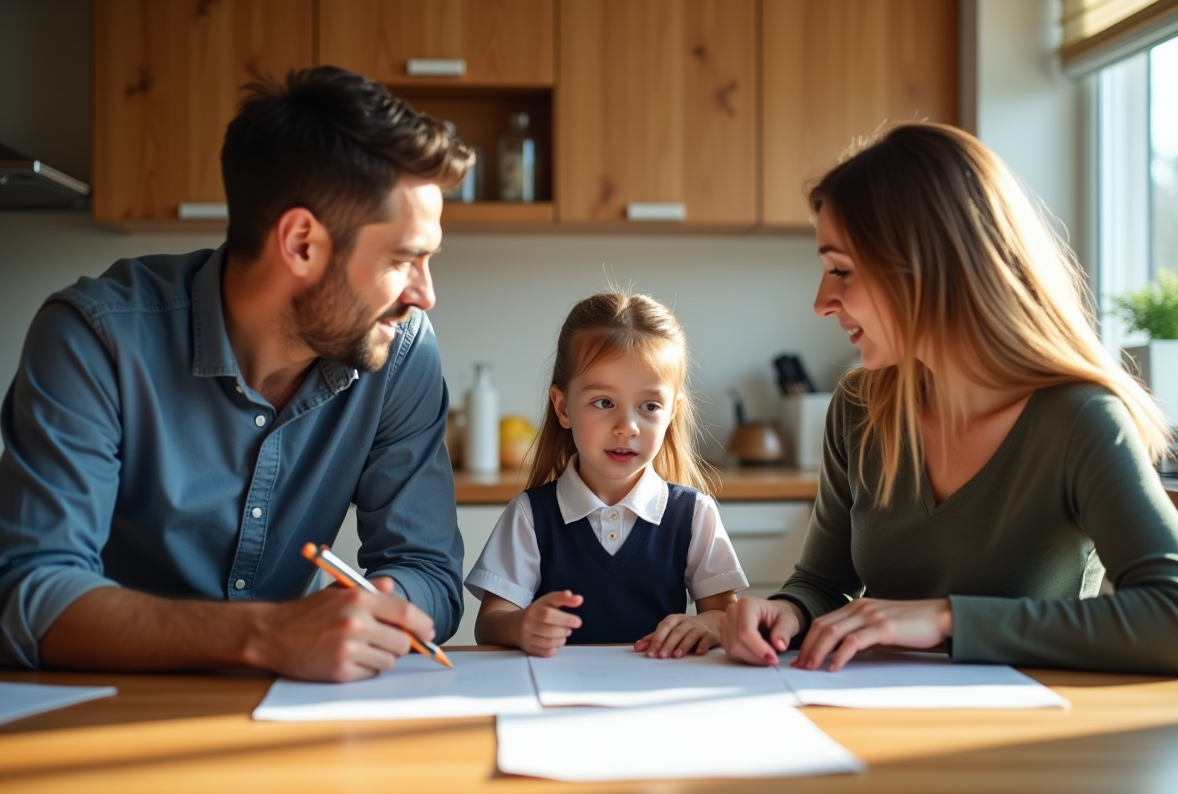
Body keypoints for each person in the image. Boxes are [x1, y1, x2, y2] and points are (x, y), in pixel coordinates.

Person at [0, 67, 475, 682]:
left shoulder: (401, 350)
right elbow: (31, 596)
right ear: (302, 242)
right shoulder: (94, 338)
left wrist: (378, 602)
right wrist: (268, 634)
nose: (425, 294)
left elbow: (430, 573)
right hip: (103, 702)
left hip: (290, 710)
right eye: (402, 259)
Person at [720, 123, 1178, 676]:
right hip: (873, 719)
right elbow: (823, 583)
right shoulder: (858, 406)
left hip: (1031, 741)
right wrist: (784, 611)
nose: (821, 302)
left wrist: (946, 620)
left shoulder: (1080, 419)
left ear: (929, 266)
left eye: (842, 271)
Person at [467, 292, 748, 657]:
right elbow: (489, 624)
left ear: (672, 413)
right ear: (563, 407)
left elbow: (724, 615)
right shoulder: (530, 516)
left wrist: (705, 625)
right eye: (604, 403)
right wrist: (521, 626)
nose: (627, 426)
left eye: (649, 406)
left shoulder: (694, 515)